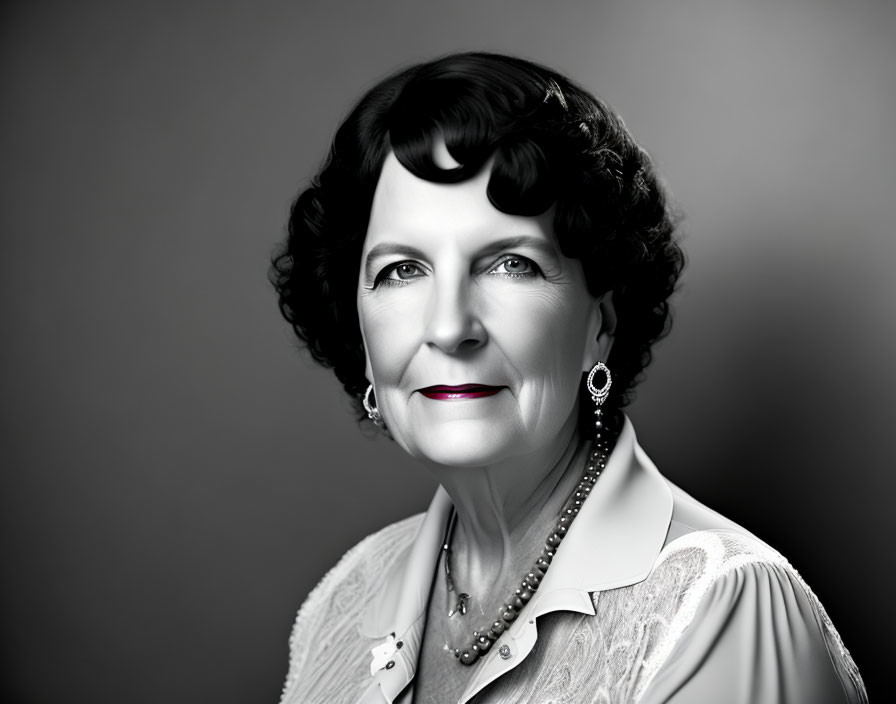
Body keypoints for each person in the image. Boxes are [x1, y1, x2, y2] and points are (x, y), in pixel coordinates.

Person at [269, 52, 866, 704]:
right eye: (401, 270)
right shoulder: (341, 605)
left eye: (509, 264)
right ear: (359, 336)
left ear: (599, 326)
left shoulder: (722, 610)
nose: (448, 326)